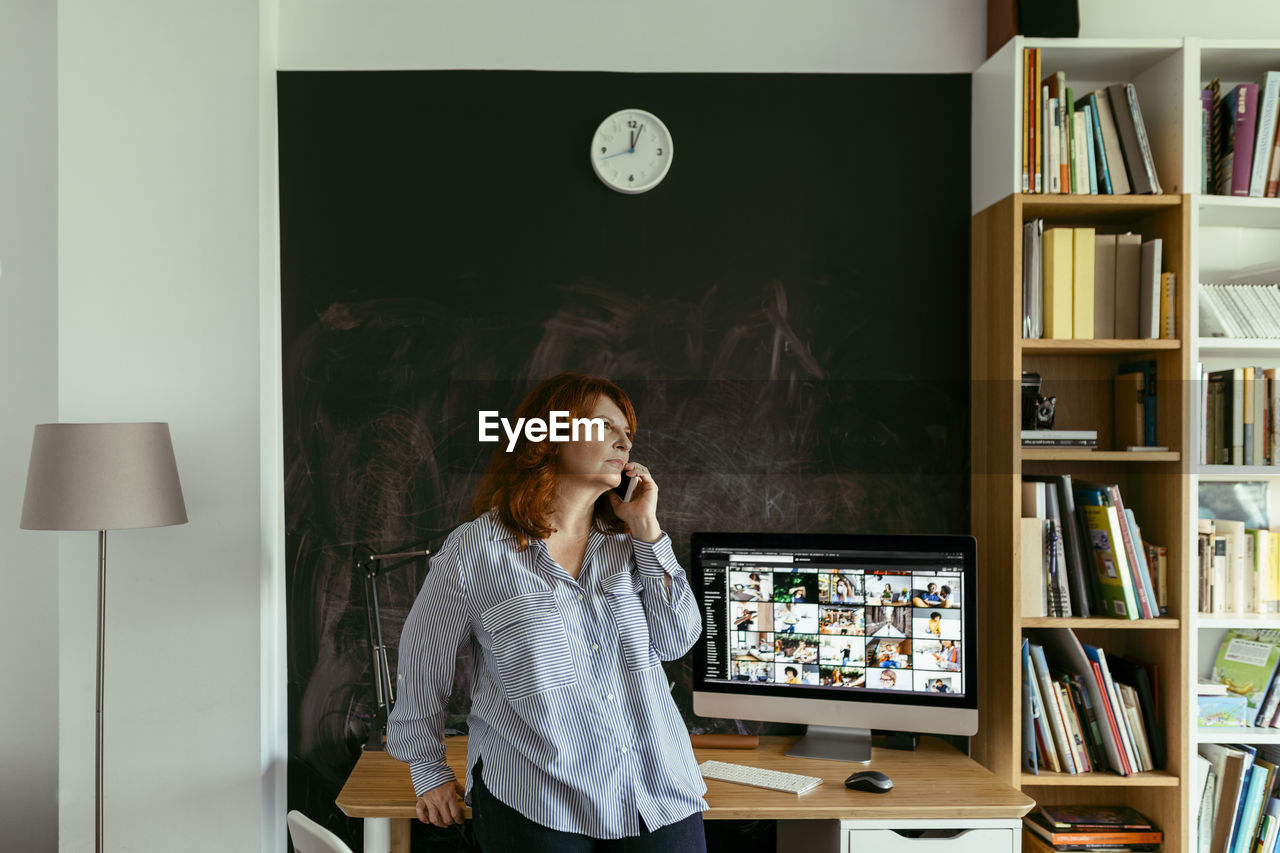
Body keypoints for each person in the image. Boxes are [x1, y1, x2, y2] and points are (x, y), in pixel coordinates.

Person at [387, 373, 707, 851]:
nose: (623, 441)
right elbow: (422, 662)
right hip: (535, 797)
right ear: (548, 435)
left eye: (628, 433)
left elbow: (676, 640)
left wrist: (647, 530)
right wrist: (428, 770)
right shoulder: (475, 551)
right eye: (604, 426)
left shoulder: (631, 547)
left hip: (657, 790)